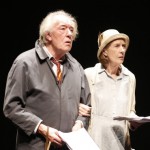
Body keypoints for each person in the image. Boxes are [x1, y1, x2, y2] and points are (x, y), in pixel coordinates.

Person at [3, 10, 91, 150]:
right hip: (36, 146)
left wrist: (79, 124)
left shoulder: (77, 67)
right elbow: (11, 107)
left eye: (72, 30)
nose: (69, 34)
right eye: (63, 28)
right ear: (48, 35)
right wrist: (42, 128)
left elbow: (86, 107)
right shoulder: (25, 62)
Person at [79, 29, 141, 150]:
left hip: (120, 143)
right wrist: (77, 107)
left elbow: (130, 110)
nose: (122, 50)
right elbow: (75, 106)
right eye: (117, 46)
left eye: (123, 46)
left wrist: (134, 121)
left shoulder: (130, 77)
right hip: (95, 142)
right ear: (105, 52)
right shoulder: (90, 74)